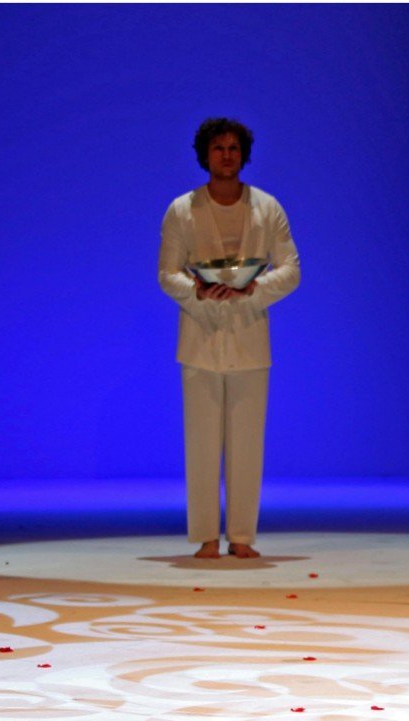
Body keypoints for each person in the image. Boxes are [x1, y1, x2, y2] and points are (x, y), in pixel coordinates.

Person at [158, 117, 300, 559]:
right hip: (200, 337)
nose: (226, 155)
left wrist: (255, 289)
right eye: (218, 148)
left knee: (247, 444)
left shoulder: (266, 208)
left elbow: (291, 269)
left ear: (243, 154)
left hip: (249, 335)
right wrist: (197, 290)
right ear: (205, 154)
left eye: (233, 148)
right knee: (201, 444)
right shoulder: (182, 210)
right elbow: (167, 273)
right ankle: (205, 536)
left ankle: (241, 536)